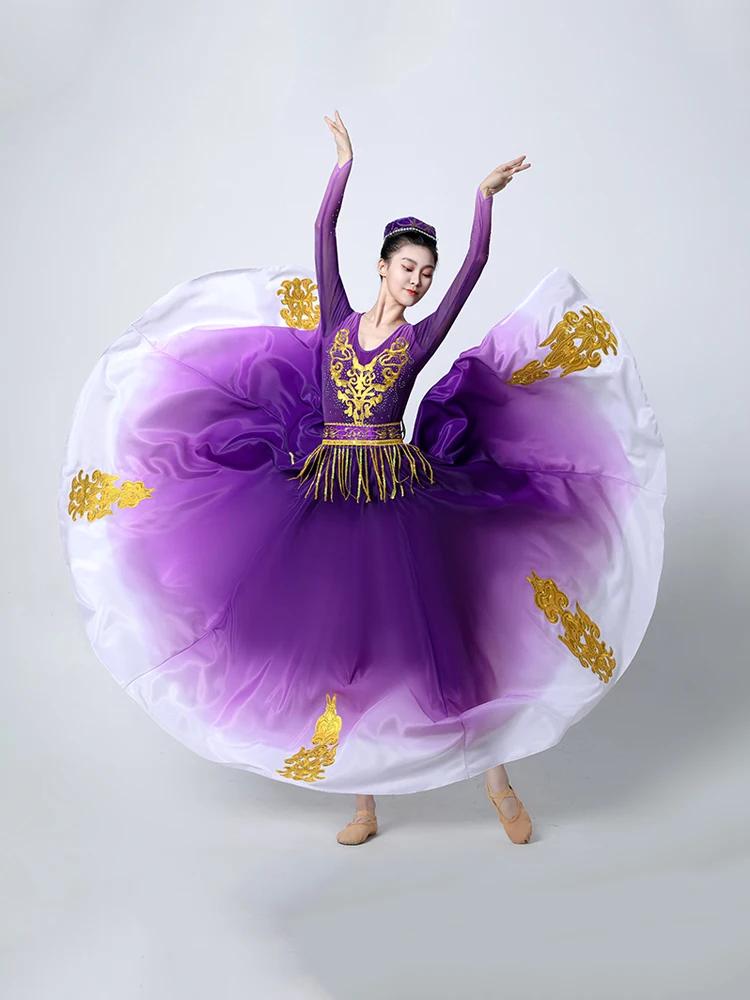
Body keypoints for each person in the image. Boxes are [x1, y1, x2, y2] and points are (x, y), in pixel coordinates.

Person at [59, 110, 666, 849]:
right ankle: (363, 802)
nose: (417, 281)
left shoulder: (421, 335)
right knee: (343, 647)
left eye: (425, 274)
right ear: (383, 266)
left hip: (397, 498)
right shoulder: (340, 317)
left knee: (455, 644)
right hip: (326, 495)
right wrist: (343, 165)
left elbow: (473, 270)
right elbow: (323, 236)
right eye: (408, 267)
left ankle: (500, 784)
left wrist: (484, 199)